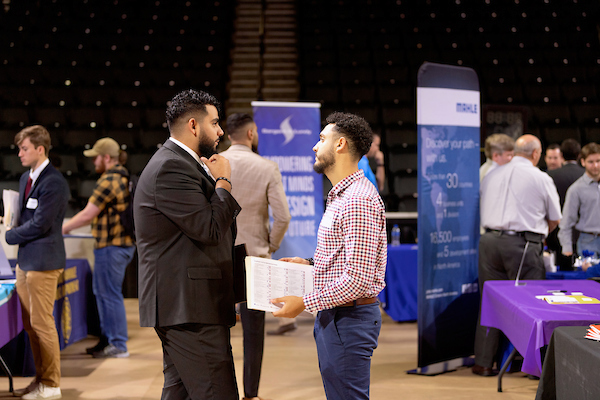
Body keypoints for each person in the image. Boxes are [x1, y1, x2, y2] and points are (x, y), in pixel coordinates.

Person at [134, 89, 241, 399]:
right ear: (194, 126)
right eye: (216, 123)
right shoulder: (171, 167)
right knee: (217, 393)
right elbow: (208, 229)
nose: (221, 131)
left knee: (178, 392)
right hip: (188, 308)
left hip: (190, 305)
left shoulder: (182, 162)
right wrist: (223, 183)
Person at [271, 112, 387, 400]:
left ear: (341, 145)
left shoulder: (358, 199)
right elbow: (346, 256)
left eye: (322, 139)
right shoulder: (342, 195)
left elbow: (358, 279)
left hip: (348, 316)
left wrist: (304, 303)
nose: (314, 146)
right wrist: (310, 264)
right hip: (336, 314)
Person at [475, 134, 561, 376]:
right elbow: (555, 217)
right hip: (522, 243)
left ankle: (483, 362)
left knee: (488, 302)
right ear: (536, 154)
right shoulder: (540, 177)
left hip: (489, 241)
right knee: (530, 304)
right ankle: (528, 365)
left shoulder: (492, 173)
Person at [221, 112, 291, 400]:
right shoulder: (267, 167)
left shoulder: (212, 164)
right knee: (253, 333)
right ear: (251, 134)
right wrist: (270, 246)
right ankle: (250, 394)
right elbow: (283, 217)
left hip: (220, 255)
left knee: (217, 332)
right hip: (256, 258)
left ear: (228, 135)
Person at [5, 125, 69, 399]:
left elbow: (41, 224)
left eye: (24, 148)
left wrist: (9, 234)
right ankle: (40, 379)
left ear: (40, 149)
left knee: (43, 324)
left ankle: (52, 385)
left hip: (44, 262)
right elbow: (24, 217)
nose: (19, 153)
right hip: (25, 261)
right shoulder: (24, 178)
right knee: (31, 326)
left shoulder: (54, 182)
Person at [62, 137, 135, 358]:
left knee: (109, 295)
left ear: (106, 157)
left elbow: (87, 214)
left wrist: (63, 228)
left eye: (96, 158)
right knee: (104, 294)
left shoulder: (110, 179)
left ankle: (118, 344)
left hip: (112, 246)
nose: (93, 163)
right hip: (117, 246)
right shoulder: (122, 176)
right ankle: (107, 340)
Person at [546, 138, 585, 270]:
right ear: (579, 155)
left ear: (561, 156)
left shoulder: (549, 176)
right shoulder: (586, 175)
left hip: (555, 233)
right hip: (583, 233)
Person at [558, 142, 600, 259]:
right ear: (583, 162)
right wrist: (567, 248)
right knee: (590, 277)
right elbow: (566, 221)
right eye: (591, 162)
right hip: (588, 240)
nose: (595, 165)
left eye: (598, 161)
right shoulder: (576, 189)